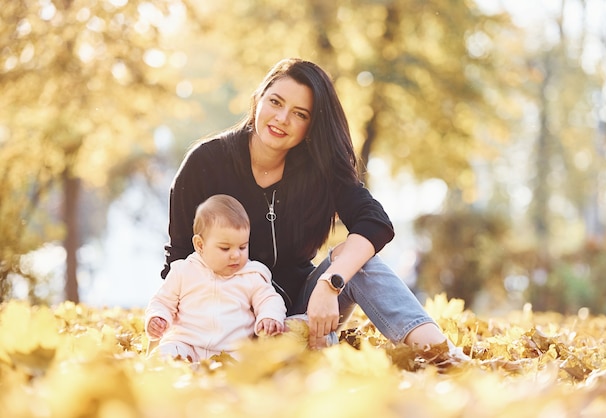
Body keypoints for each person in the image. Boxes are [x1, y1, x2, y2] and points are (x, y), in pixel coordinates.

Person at [162, 57, 466, 358]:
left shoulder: (320, 168)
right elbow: (178, 259)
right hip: (224, 327)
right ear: (258, 100)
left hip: (299, 315)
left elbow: (374, 222)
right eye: (276, 102)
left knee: (358, 261)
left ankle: (442, 355)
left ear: (312, 125)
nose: (282, 119)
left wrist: (329, 283)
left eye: (300, 114)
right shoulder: (206, 163)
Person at [146, 194, 286, 361]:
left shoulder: (252, 275)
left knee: (251, 363)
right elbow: (162, 301)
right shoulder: (183, 271)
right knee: (165, 354)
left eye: (242, 247)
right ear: (200, 245)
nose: (235, 255)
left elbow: (269, 299)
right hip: (186, 344)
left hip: (232, 351)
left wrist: (269, 316)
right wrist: (158, 317)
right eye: (225, 248)